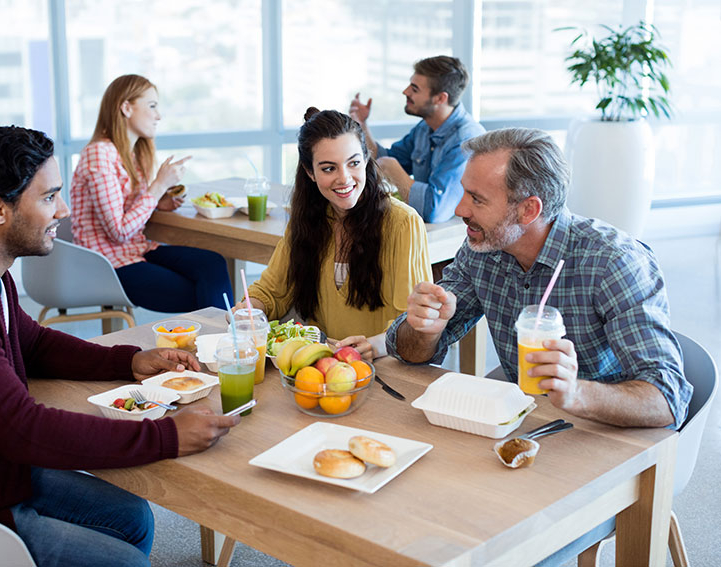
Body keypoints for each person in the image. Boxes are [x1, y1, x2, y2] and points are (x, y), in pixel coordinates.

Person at [0, 126, 240, 567]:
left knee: (133, 518)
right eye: (49, 197)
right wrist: (166, 435)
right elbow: (22, 429)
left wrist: (132, 360)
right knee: (129, 563)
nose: (63, 211)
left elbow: (34, 343)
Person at [387, 127, 692, 429]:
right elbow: (409, 354)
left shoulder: (614, 262)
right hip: (527, 421)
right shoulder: (483, 248)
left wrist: (578, 394)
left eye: (477, 199)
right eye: (463, 191)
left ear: (528, 209)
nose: (459, 208)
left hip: (606, 432)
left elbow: (668, 398)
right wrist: (425, 329)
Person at [235, 108, 431, 361]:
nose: (345, 178)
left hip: (386, 370)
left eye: (354, 163)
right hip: (323, 368)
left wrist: (376, 345)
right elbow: (272, 292)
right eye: (329, 169)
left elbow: (413, 323)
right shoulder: (306, 221)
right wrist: (249, 311)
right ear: (310, 172)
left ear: (366, 159)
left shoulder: (403, 223)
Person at [71, 74, 233, 311]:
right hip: (109, 265)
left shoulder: (133, 154)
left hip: (138, 250)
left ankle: (222, 341)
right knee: (202, 293)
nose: (159, 115)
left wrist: (159, 201)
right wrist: (157, 187)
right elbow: (119, 231)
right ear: (126, 107)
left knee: (213, 264)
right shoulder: (99, 154)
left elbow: (124, 208)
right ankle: (222, 343)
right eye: (152, 106)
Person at [349, 55, 485, 224]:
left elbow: (433, 210)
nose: (405, 92)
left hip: (454, 238)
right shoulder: (425, 128)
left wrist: (393, 169)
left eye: (414, 89)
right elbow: (380, 158)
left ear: (440, 98)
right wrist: (362, 124)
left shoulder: (466, 139)